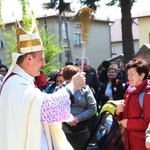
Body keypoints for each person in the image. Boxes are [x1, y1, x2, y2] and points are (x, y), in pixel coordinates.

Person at [0, 18, 86, 150]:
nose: (44, 63)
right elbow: (48, 110)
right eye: (41, 58)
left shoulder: (17, 81)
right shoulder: (16, 84)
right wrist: (72, 86)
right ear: (29, 58)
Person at [114, 58, 150, 150]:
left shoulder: (147, 94)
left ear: (142, 75)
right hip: (128, 142)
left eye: (132, 74)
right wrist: (117, 112)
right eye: (128, 74)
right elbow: (123, 117)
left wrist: (128, 124)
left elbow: (148, 123)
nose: (129, 77)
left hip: (142, 145)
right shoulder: (129, 91)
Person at [60, 65, 97, 150]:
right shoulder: (61, 90)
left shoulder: (86, 89)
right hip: (65, 130)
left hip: (82, 129)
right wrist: (67, 118)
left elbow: (93, 108)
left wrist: (78, 118)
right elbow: (56, 108)